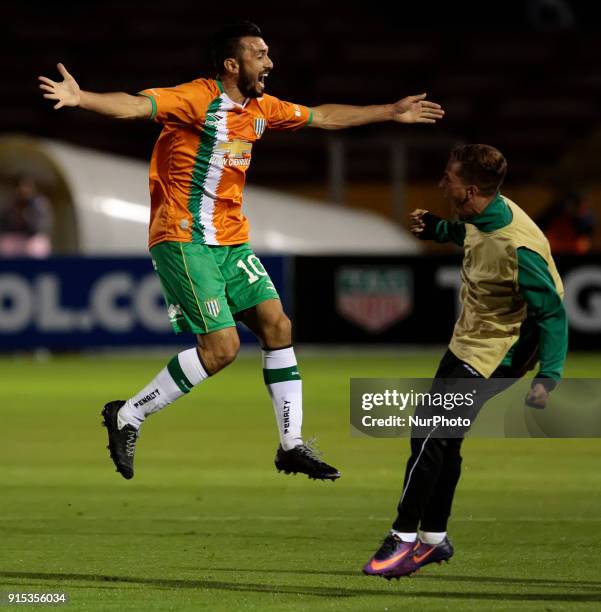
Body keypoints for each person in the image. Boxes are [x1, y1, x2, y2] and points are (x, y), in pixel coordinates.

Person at [38, 21, 445, 481]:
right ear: (233, 64)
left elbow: (322, 116)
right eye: (260, 54)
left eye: (269, 53)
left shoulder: (261, 108)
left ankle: (291, 445)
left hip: (230, 239)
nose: (269, 62)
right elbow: (135, 106)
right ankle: (128, 415)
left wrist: (391, 111)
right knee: (221, 348)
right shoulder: (196, 98)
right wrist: (82, 98)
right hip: (183, 235)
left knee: (277, 325)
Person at [363, 144, 567, 578]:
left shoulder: (518, 247)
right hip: (468, 342)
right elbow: (470, 237)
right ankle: (433, 539)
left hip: (499, 353)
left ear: (469, 189)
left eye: (448, 179)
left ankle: (402, 536)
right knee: (444, 438)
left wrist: (547, 376)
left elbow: (551, 313)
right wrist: (438, 229)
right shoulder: (483, 213)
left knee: (430, 433)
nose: (441, 183)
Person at [0, 175, 53, 258]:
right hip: (15, 238)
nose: (23, 189)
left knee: (36, 245)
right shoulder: (11, 203)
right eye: (20, 186)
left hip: (33, 238)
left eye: (26, 186)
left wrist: (25, 218)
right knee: (5, 244)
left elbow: (41, 226)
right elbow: (4, 223)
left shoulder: (39, 203)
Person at [536, 190, 596, 254]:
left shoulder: (586, 222)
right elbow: (545, 242)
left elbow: (583, 245)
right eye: (582, 207)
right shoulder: (553, 214)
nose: (584, 210)